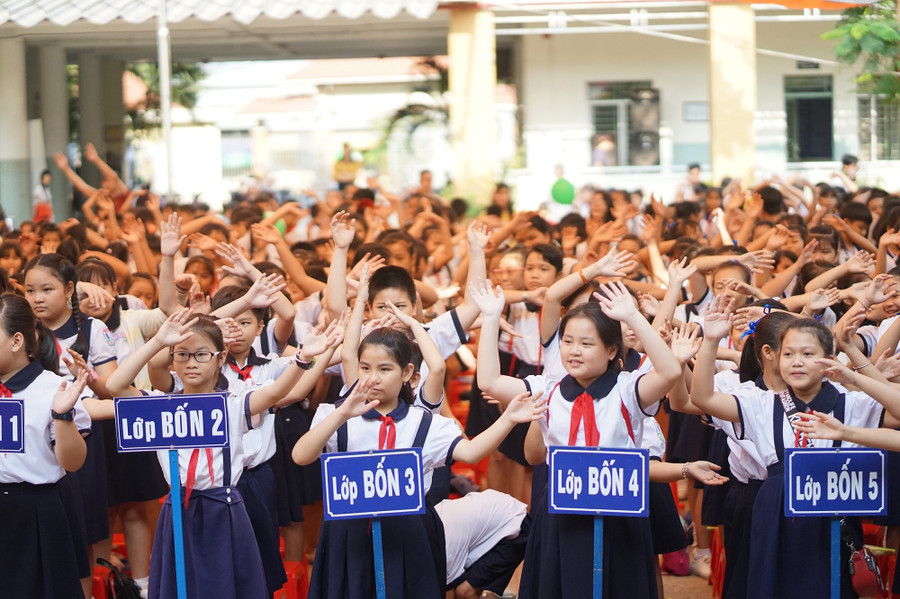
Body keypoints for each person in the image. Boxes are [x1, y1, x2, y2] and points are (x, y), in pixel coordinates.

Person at [293, 319, 547, 599]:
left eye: (384, 369)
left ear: (408, 373)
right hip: (348, 535)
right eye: (365, 368)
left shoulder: (423, 422)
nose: (372, 377)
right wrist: (342, 413)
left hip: (409, 534)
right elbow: (301, 456)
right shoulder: (336, 415)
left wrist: (508, 419)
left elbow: (471, 452)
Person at [103, 308, 344, 599]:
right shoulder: (161, 405)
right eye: (182, 355)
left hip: (223, 506)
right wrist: (157, 343)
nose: (191, 363)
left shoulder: (232, 403)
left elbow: (278, 389)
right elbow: (115, 386)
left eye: (202, 354)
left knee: (225, 587)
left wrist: (303, 358)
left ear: (220, 358)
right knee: (182, 587)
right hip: (177, 507)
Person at [474, 281, 685, 598]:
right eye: (568, 341)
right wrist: (491, 317)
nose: (573, 350)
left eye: (586, 343)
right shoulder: (551, 389)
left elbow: (669, 372)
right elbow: (489, 381)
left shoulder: (628, 389)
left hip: (619, 511)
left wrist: (632, 315)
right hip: (563, 512)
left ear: (611, 350)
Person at [690, 294, 900, 599]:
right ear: (774, 357)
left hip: (834, 504)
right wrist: (710, 342)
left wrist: (854, 376)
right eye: (788, 354)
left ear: (828, 357)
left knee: (831, 585)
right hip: (776, 506)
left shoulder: (850, 401)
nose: (796, 362)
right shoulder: (760, 402)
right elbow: (702, 399)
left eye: (807, 353)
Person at [0, 295, 92, 599]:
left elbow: (74, 462)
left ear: (16, 341)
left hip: (35, 511)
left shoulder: (53, 388)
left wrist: (62, 415)